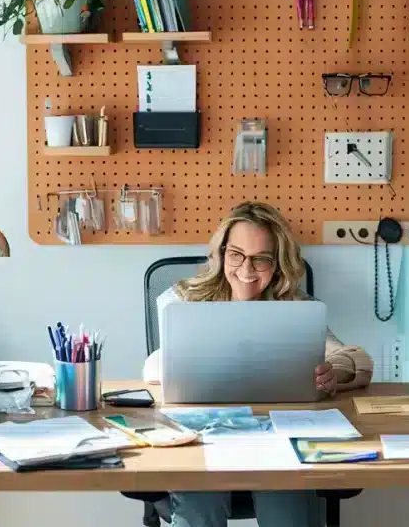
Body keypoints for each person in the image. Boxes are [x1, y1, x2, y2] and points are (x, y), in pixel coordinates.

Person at [142, 201, 374, 527]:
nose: (246, 269)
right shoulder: (184, 300)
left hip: (277, 434)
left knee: (288, 509)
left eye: (261, 259)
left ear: (277, 263)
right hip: (203, 432)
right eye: (236, 254)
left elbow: (358, 359)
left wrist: (334, 371)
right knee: (198, 506)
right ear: (222, 253)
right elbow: (150, 369)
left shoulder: (295, 307)